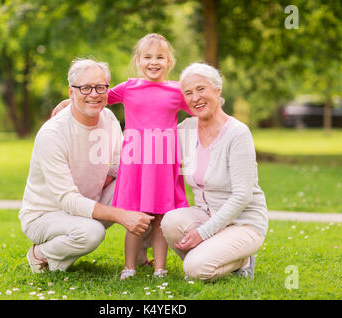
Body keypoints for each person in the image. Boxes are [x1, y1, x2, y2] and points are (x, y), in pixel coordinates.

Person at [51, 34, 192, 279]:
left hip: (163, 165)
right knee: (135, 215)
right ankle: (129, 266)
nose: (153, 62)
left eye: (160, 57)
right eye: (147, 57)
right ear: (138, 60)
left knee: (161, 218)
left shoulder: (177, 91)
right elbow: (98, 97)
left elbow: (200, 109)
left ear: (169, 61)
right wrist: (69, 100)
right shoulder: (129, 87)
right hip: (136, 163)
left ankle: (160, 268)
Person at [19, 58, 154, 273]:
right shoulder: (52, 134)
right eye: (85, 87)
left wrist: (109, 178)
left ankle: (139, 255)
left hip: (87, 202)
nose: (94, 94)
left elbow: (122, 165)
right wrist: (121, 215)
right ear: (71, 91)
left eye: (100, 87)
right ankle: (39, 254)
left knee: (139, 180)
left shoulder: (108, 118)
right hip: (45, 215)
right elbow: (67, 199)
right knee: (91, 232)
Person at [161, 63, 268, 281]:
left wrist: (203, 233)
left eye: (201, 89)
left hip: (244, 223)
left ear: (217, 91)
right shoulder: (187, 129)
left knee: (194, 270)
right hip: (206, 215)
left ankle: (242, 259)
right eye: (188, 93)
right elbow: (147, 142)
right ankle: (215, 255)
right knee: (170, 221)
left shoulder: (237, 133)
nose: (195, 98)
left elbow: (242, 195)